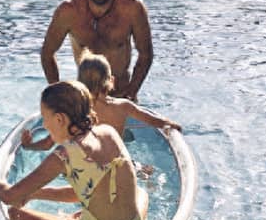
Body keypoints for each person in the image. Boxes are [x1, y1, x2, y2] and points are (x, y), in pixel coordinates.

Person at [0, 81, 147, 220]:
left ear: (60, 119)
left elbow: (11, 196)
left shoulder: (63, 155)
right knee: (139, 192)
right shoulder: (109, 132)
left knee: (15, 213)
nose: (45, 125)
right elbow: (88, 187)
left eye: (45, 118)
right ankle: (85, 219)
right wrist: (34, 194)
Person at [40, 0, 152, 101]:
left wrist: (131, 93)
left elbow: (146, 54)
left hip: (122, 96)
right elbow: (47, 53)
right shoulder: (68, 11)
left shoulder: (132, 9)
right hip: (85, 99)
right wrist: (59, 94)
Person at [21, 52, 180, 149]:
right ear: (111, 80)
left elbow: (49, 143)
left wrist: (29, 146)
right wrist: (171, 124)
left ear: (79, 82)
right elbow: (155, 121)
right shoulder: (123, 107)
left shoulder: (75, 109)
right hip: (116, 162)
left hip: (85, 166)